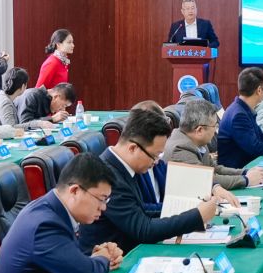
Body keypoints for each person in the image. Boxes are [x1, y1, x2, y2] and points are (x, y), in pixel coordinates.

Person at [83, 106, 240, 254]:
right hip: (112, 261)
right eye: (154, 155)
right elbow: (143, 229)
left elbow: (142, 210)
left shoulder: (125, 165)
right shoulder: (107, 175)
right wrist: (196, 217)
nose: (156, 162)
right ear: (133, 148)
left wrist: (194, 208)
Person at [167, 100, 263, 190]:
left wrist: (245, 172)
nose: (215, 130)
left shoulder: (197, 141)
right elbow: (208, 179)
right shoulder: (180, 149)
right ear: (200, 130)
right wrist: (246, 180)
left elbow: (215, 168)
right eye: (215, 126)